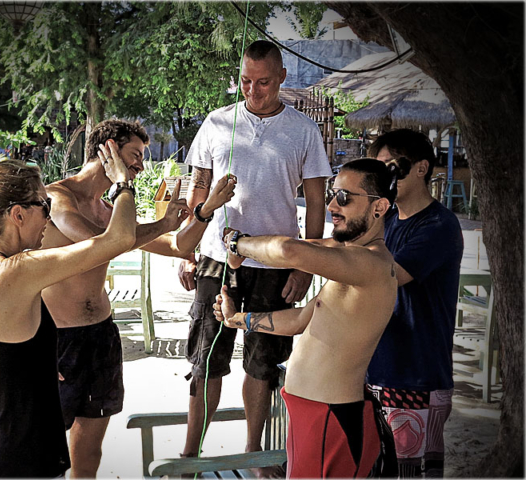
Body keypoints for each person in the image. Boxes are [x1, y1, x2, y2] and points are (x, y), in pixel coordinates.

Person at [40, 119, 237, 478]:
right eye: (134, 156)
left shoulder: (108, 209)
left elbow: (179, 246)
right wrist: (140, 204)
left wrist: (205, 211)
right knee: (44, 450)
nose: (141, 166)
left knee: (88, 450)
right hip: (57, 341)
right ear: (108, 150)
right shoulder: (58, 197)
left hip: (100, 337)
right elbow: (96, 246)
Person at [177, 39, 332, 474]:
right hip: (214, 256)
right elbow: (198, 189)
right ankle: (190, 455)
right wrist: (187, 252)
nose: (253, 91)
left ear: (282, 78)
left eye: (263, 82)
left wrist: (305, 264)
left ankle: (255, 455)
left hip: (276, 260)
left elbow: (317, 205)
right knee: (206, 355)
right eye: (246, 81)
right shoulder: (216, 121)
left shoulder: (303, 130)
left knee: (263, 361)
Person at [0, 144, 137, 478]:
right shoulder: (19, 270)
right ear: (17, 215)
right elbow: (118, 239)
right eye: (44, 206)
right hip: (23, 463)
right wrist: (122, 185)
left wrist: (26, 370)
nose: (50, 216)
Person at [214, 158, 400, 478]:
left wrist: (236, 242)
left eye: (344, 197)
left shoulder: (371, 263)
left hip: (331, 420)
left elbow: (290, 251)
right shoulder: (349, 258)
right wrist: (239, 320)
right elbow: (304, 318)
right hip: (314, 416)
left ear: (379, 207)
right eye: (332, 194)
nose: (330, 205)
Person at [366, 129, 464, 478]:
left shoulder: (440, 225)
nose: (384, 179)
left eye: (391, 168)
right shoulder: (387, 220)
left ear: (421, 168)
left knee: (412, 473)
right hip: (376, 368)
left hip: (416, 375)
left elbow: (387, 275)